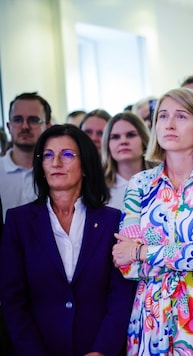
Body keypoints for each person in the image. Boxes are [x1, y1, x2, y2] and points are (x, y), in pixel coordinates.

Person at [111, 87, 193, 355]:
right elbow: (125, 264)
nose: (169, 123)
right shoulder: (139, 184)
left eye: (181, 116)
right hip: (150, 319)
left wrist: (141, 251)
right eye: (162, 116)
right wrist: (187, 247)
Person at [0, 124, 135, 355]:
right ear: (41, 166)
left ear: (85, 166)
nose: (56, 163)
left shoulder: (112, 220)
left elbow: (121, 296)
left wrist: (101, 350)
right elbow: (12, 300)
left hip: (97, 348)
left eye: (67, 155)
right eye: (48, 155)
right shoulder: (18, 221)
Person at [1, 92, 52, 219]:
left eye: (33, 120)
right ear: (9, 126)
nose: (25, 126)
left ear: (48, 126)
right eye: (17, 120)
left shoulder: (58, 170)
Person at [101, 111, 153, 211]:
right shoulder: (98, 189)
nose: (123, 141)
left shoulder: (163, 181)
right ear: (107, 144)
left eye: (131, 135)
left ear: (144, 140)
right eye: (115, 137)